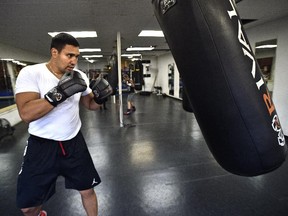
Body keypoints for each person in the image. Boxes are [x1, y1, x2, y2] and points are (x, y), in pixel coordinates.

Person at [15, 33, 112, 216]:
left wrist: (100, 98)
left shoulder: (79, 75)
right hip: (42, 145)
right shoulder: (31, 73)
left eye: (77, 56)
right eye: (69, 55)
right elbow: (26, 113)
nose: (74, 61)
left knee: (88, 190)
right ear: (54, 52)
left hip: (73, 142)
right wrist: (58, 94)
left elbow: (90, 105)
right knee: (27, 207)